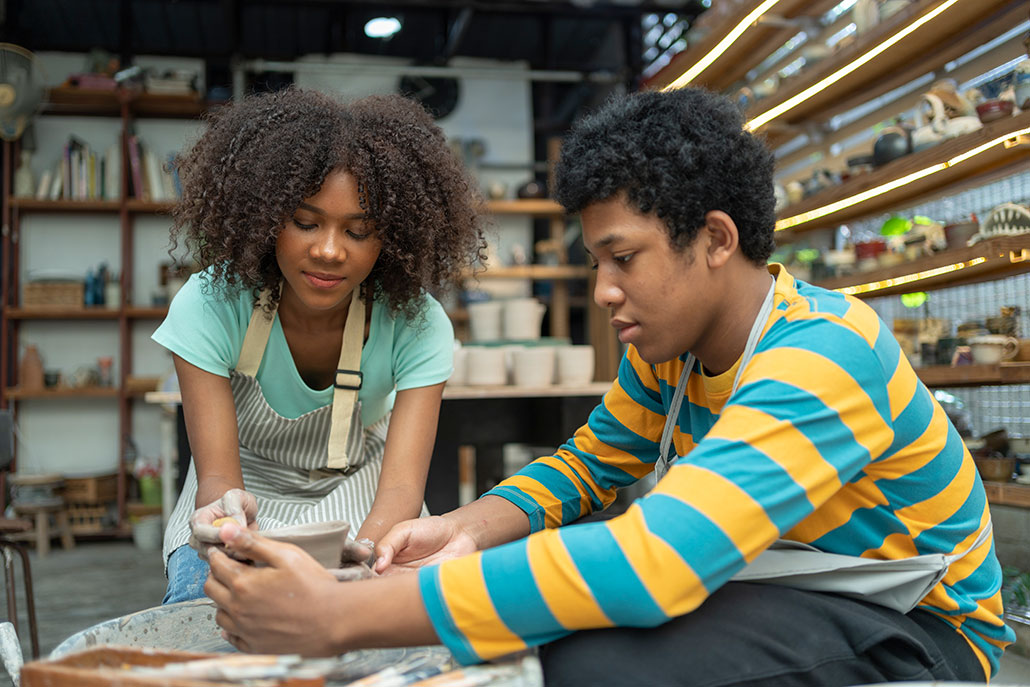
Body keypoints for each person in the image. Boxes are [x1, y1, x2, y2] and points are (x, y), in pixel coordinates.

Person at [203, 87, 1014, 686]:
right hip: (790, 589)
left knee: (597, 666)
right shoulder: (670, 353)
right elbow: (593, 461)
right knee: (547, 642)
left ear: (716, 240)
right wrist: (465, 527)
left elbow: (656, 557)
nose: (603, 290)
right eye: (596, 262)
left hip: (922, 632)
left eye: (623, 258)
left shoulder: (827, 352)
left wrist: (340, 616)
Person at [154, 87, 484, 603]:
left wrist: (361, 561)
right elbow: (218, 476)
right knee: (208, 609)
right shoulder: (210, 304)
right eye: (306, 223)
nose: (328, 250)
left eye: (358, 231)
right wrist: (231, 528)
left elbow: (399, 490)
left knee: (376, 619)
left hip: (363, 496)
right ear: (264, 217)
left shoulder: (417, 323)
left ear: (393, 237)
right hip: (244, 496)